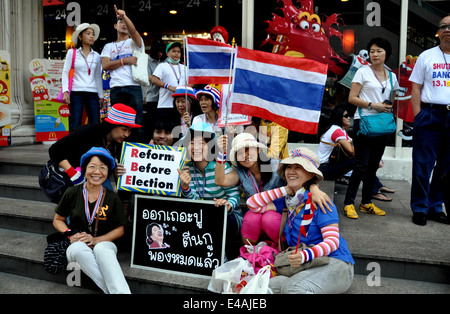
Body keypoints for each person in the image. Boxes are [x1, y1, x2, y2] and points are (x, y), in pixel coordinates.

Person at [246, 147, 354, 294]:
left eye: (298, 167)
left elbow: (333, 242)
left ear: (310, 174)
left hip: (335, 262)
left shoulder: (321, 201)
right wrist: (285, 190)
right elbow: (252, 204)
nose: (291, 171)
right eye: (288, 167)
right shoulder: (288, 201)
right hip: (305, 266)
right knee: (261, 286)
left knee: (294, 289)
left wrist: (304, 255)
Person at [215, 132, 333, 246]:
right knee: (251, 216)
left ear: (257, 149)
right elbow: (220, 180)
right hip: (255, 210)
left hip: (278, 212)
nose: (244, 155)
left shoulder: (276, 165)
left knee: (269, 217)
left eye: (247, 150)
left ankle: (283, 249)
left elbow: (299, 180)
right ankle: (248, 253)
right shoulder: (241, 172)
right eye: (239, 153)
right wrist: (221, 153)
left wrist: (314, 188)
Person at [52, 147, 131, 294]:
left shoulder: (112, 198)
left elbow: (120, 229)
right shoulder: (72, 192)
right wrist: (70, 234)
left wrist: (96, 240)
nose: (97, 172)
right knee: (76, 249)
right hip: (78, 244)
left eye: (103, 168)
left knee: (101, 248)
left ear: (107, 173)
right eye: (92, 167)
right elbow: (57, 220)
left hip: (105, 244)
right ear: (84, 169)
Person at [343, 37, 399, 219]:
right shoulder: (363, 72)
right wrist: (372, 105)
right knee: (361, 165)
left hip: (382, 125)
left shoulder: (392, 76)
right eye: (372, 51)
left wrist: (385, 106)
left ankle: (366, 202)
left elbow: (393, 98)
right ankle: (348, 203)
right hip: (365, 122)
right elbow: (352, 98)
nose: (375, 54)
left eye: (379, 51)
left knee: (373, 166)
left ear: (386, 54)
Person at [177, 122, 243, 259]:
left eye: (201, 143)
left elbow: (234, 195)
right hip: (203, 217)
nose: (196, 148)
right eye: (192, 143)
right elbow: (194, 200)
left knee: (217, 218)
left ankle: (219, 257)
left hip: (229, 217)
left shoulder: (221, 167)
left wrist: (227, 204)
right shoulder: (188, 169)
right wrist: (185, 187)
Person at [408, 15, 450, 226]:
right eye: (443, 27)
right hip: (430, 115)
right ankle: (420, 208)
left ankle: (435, 207)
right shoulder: (427, 56)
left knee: (446, 168)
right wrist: (418, 115)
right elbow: (416, 87)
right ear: (438, 32)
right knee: (422, 165)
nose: (447, 30)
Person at [48, 103, 141, 190]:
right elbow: (54, 149)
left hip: (95, 178)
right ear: (112, 125)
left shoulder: (119, 143)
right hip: (69, 177)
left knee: (107, 195)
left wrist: (116, 171)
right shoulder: (88, 132)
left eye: (129, 131)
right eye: (124, 129)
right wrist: (73, 174)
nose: (127, 134)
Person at [101, 5, 145, 141]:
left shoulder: (135, 42)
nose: (123, 24)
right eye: (120, 22)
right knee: (117, 125)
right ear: (115, 26)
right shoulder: (108, 46)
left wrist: (124, 16)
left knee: (136, 123)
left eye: (125, 22)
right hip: (115, 88)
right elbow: (105, 65)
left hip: (133, 86)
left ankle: (136, 156)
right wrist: (124, 60)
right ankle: (119, 155)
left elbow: (134, 32)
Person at [62, 23, 103, 132]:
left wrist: (101, 95)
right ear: (80, 37)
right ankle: (74, 148)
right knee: (75, 124)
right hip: (76, 93)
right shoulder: (72, 53)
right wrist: (65, 91)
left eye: (93, 34)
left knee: (95, 124)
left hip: (93, 93)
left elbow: (98, 76)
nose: (91, 36)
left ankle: (96, 148)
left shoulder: (97, 56)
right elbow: (65, 72)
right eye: (88, 33)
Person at [152, 41, 187, 122]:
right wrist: (168, 87)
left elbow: (191, 81)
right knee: (165, 130)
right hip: (165, 105)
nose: (176, 54)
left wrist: (184, 89)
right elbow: (154, 80)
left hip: (181, 106)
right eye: (174, 51)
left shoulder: (184, 67)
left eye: (178, 52)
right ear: (167, 53)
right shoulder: (162, 66)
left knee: (178, 130)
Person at [144, 39, 166, 142]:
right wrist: (157, 80)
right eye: (158, 52)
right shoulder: (146, 60)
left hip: (164, 97)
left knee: (162, 123)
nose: (160, 54)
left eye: (162, 52)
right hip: (152, 96)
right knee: (151, 123)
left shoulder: (165, 60)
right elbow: (147, 76)